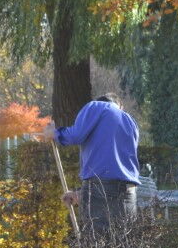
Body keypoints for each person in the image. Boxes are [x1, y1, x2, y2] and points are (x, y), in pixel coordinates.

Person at [45, 93, 140, 231]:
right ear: (120, 106)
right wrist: (80, 193)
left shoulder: (97, 106)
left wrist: (54, 133)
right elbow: (116, 167)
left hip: (100, 188)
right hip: (129, 191)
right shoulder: (130, 120)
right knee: (124, 243)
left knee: (98, 244)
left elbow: (76, 135)